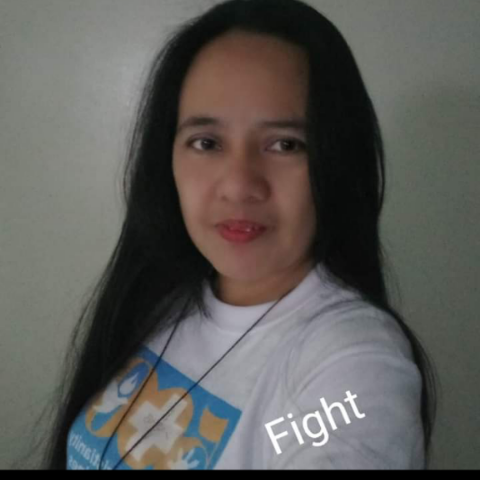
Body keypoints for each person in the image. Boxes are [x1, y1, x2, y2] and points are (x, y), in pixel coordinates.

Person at [37, 0, 436, 470]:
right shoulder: (160, 297)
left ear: (336, 161)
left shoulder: (354, 363)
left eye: (284, 144)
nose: (240, 185)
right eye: (207, 143)